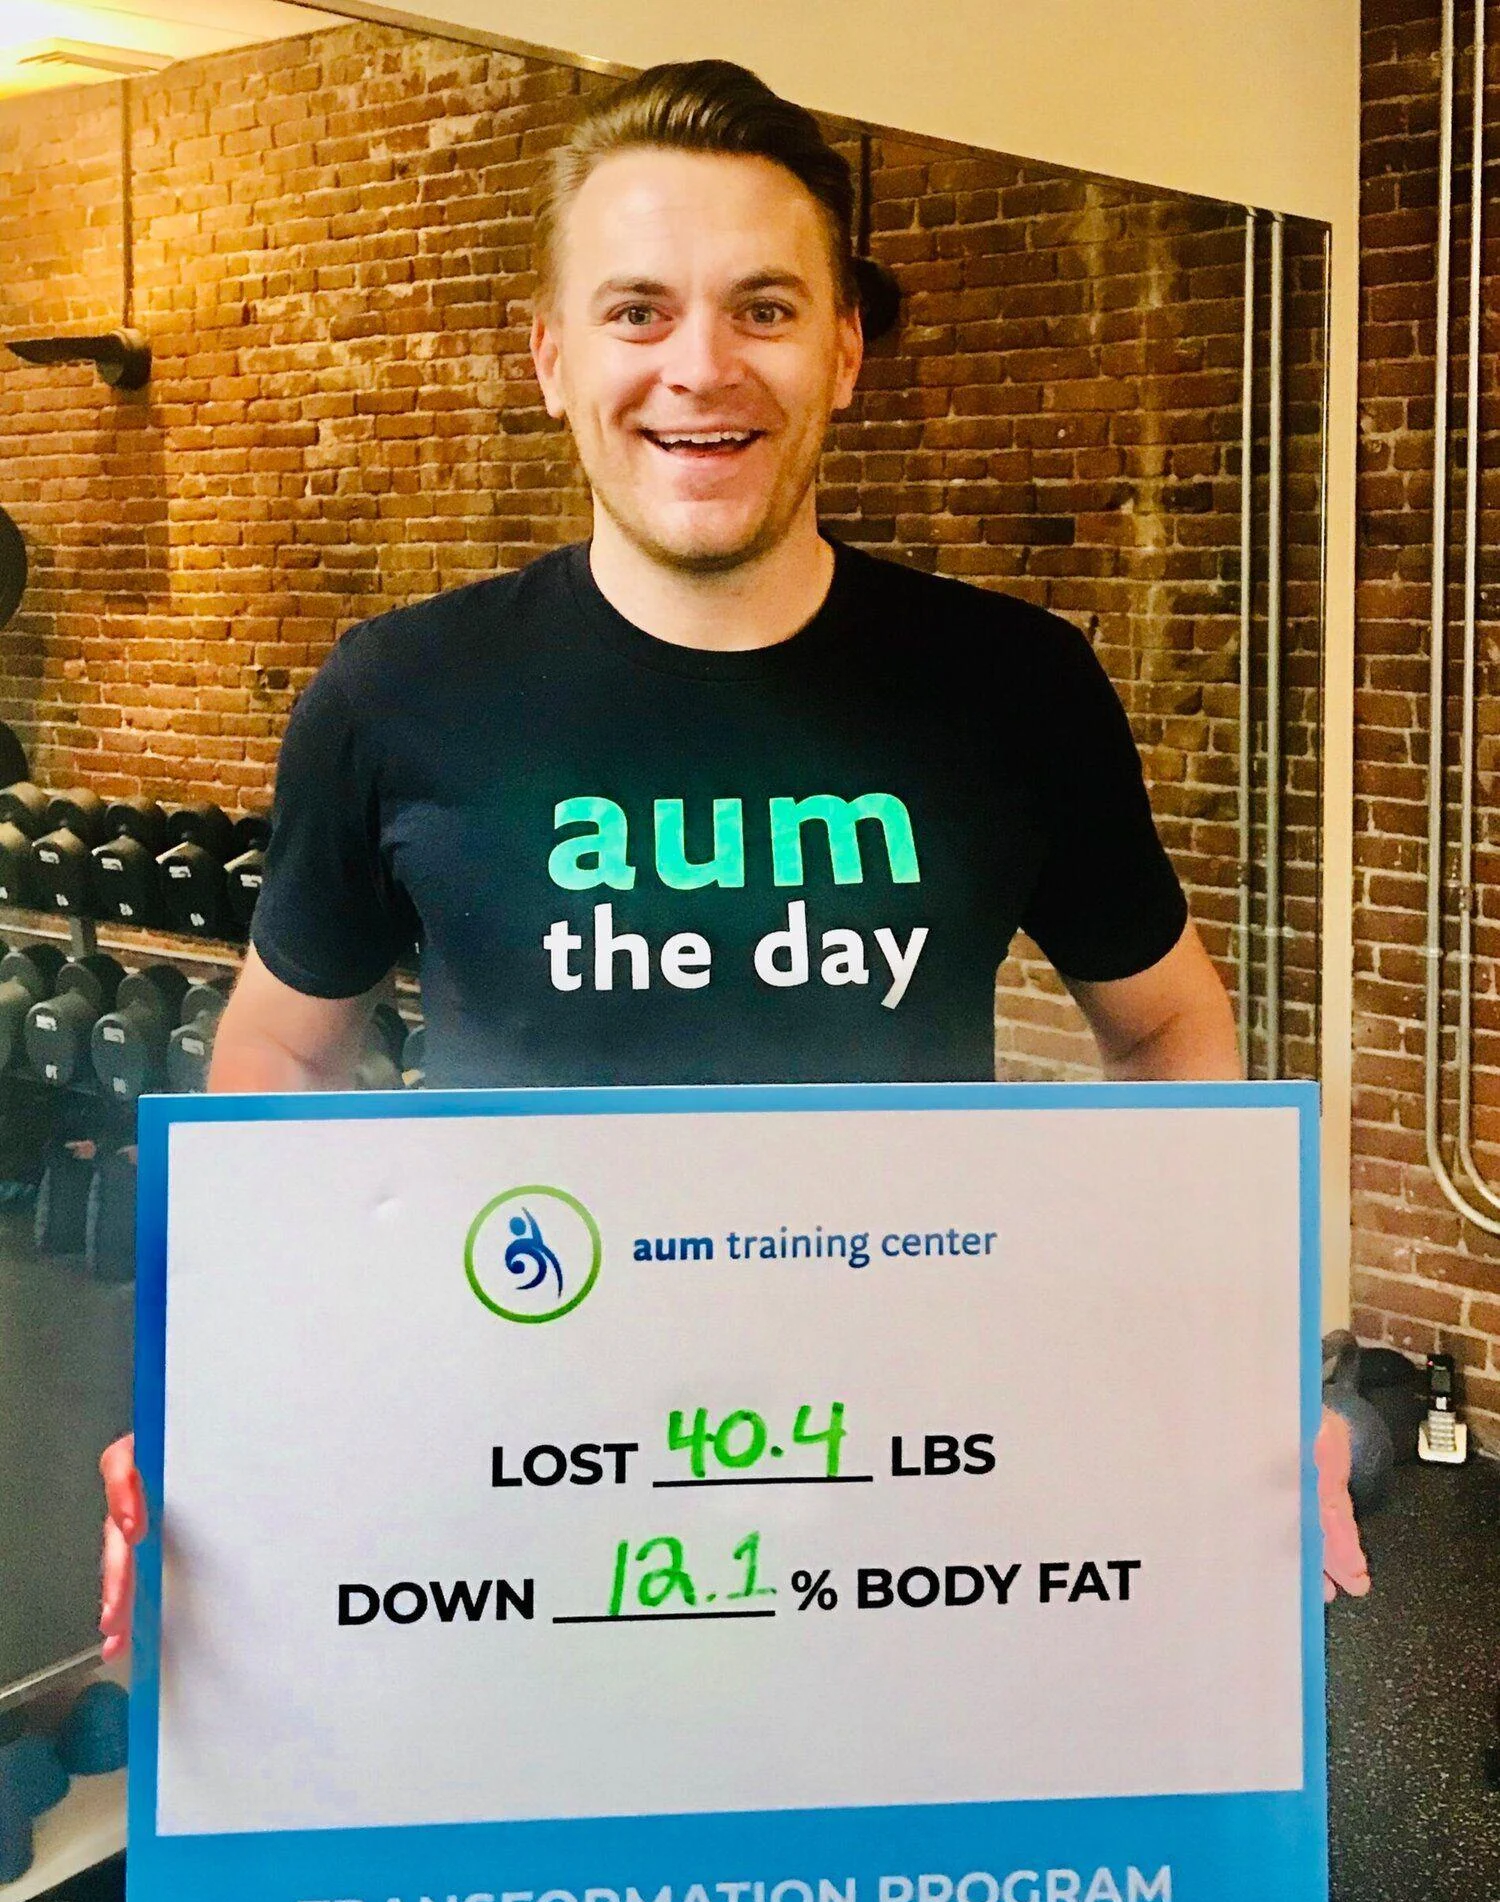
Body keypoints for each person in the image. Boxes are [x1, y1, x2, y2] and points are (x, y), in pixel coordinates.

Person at [98, 57, 1367, 1660]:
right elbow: (281, 1051)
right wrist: (230, 1395)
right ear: (553, 357)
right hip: (514, 1487)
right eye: (637, 311)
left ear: (843, 352)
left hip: (919, 1490)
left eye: (763, 308)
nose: (699, 367)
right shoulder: (395, 696)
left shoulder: (1014, 686)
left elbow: (1170, 1023)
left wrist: (1213, 1368)